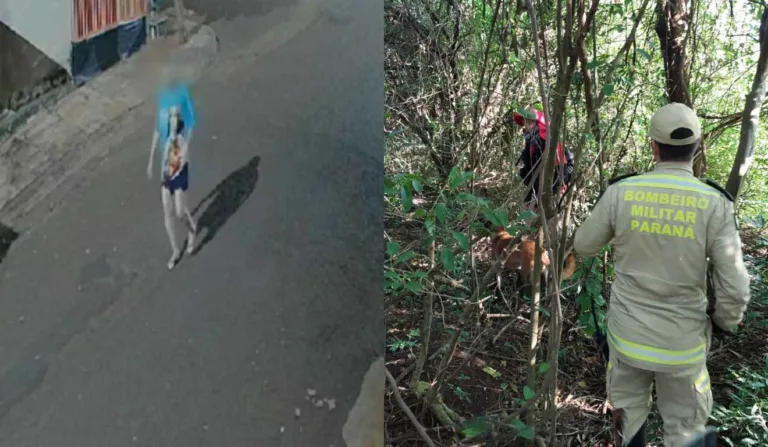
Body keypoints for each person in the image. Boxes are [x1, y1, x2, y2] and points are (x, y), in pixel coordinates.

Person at [572, 102, 751, 447]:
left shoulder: (621, 192)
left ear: (653, 146)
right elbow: (735, 285)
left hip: (627, 340)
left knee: (629, 418)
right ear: (698, 146)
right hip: (683, 346)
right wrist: (725, 323)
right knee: (685, 430)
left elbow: (583, 245)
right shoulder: (715, 203)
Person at [148, 78, 198, 270]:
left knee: (179, 211)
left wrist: (173, 168)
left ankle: (192, 229)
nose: (172, 119)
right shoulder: (167, 137)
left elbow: (181, 161)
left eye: (175, 116)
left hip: (177, 175)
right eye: (171, 117)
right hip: (166, 174)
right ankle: (175, 250)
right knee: (166, 212)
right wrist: (154, 161)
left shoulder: (182, 143)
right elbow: (157, 132)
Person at [513, 108, 574, 214]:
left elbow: (562, 173)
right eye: (525, 122)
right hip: (537, 188)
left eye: (530, 123)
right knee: (529, 217)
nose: (526, 126)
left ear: (538, 125)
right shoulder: (531, 141)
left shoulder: (551, 145)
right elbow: (531, 166)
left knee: (549, 221)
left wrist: (550, 193)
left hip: (555, 190)